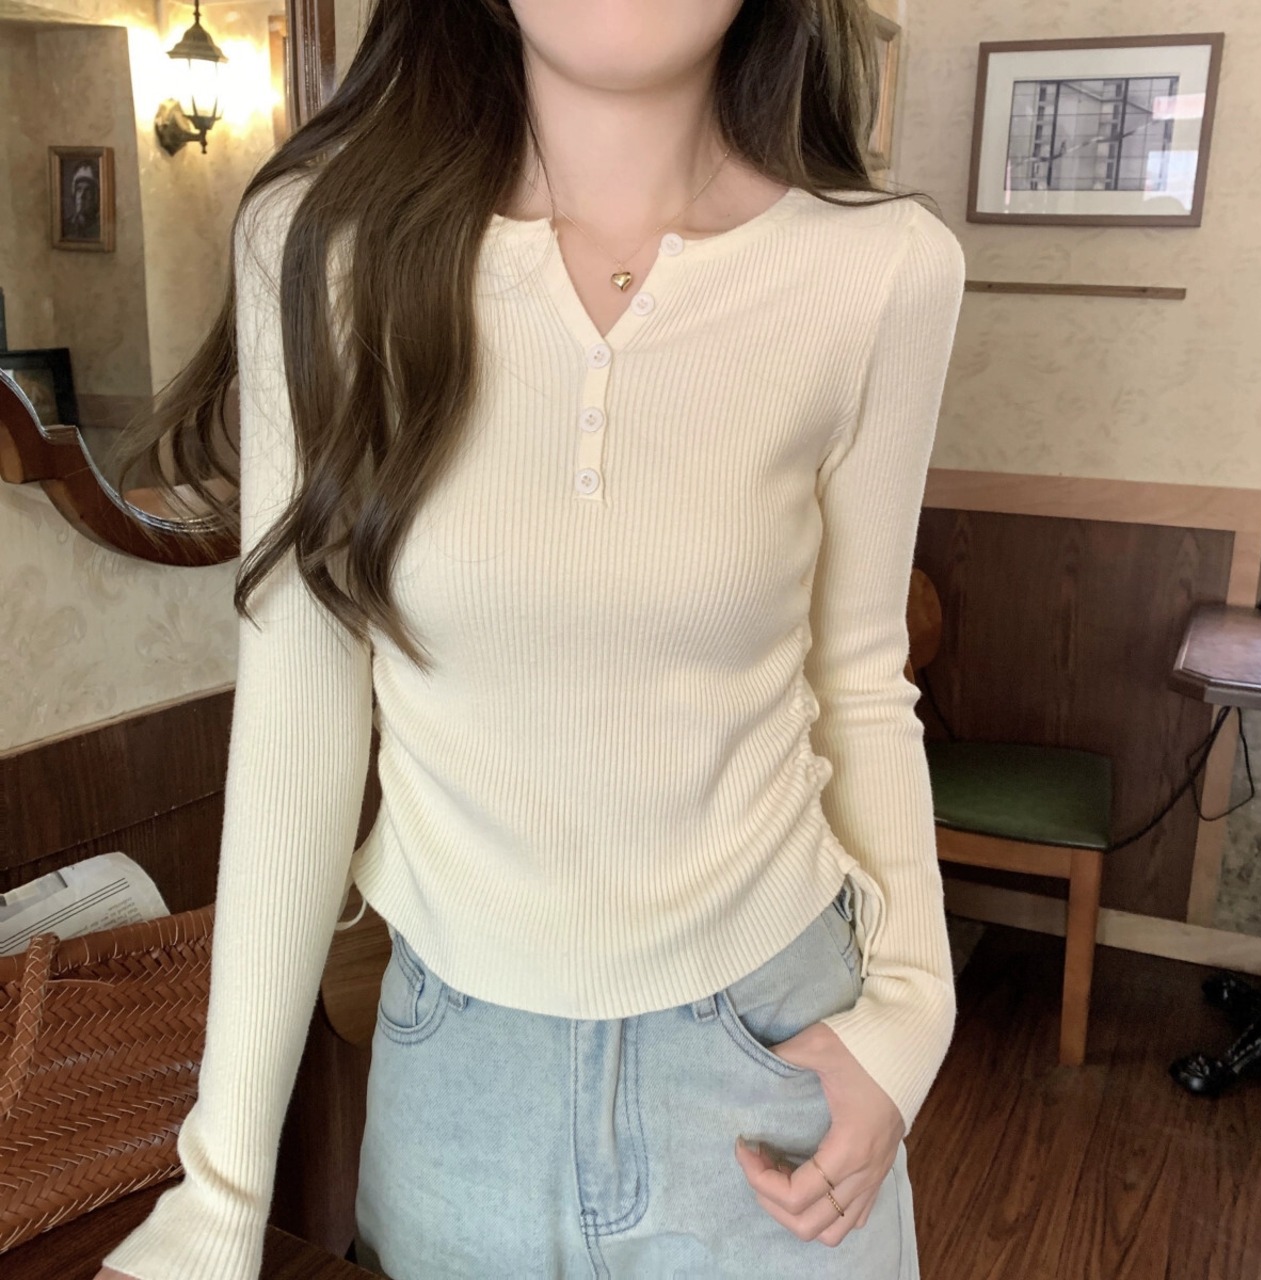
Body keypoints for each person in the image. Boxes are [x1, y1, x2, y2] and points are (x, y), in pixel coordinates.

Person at [96, 0, 965, 1276]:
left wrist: (911, 1019)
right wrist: (219, 1192)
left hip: (773, 1059)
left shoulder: (881, 270)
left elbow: (858, 676)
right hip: (458, 1085)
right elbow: (299, 709)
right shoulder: (323, 248)